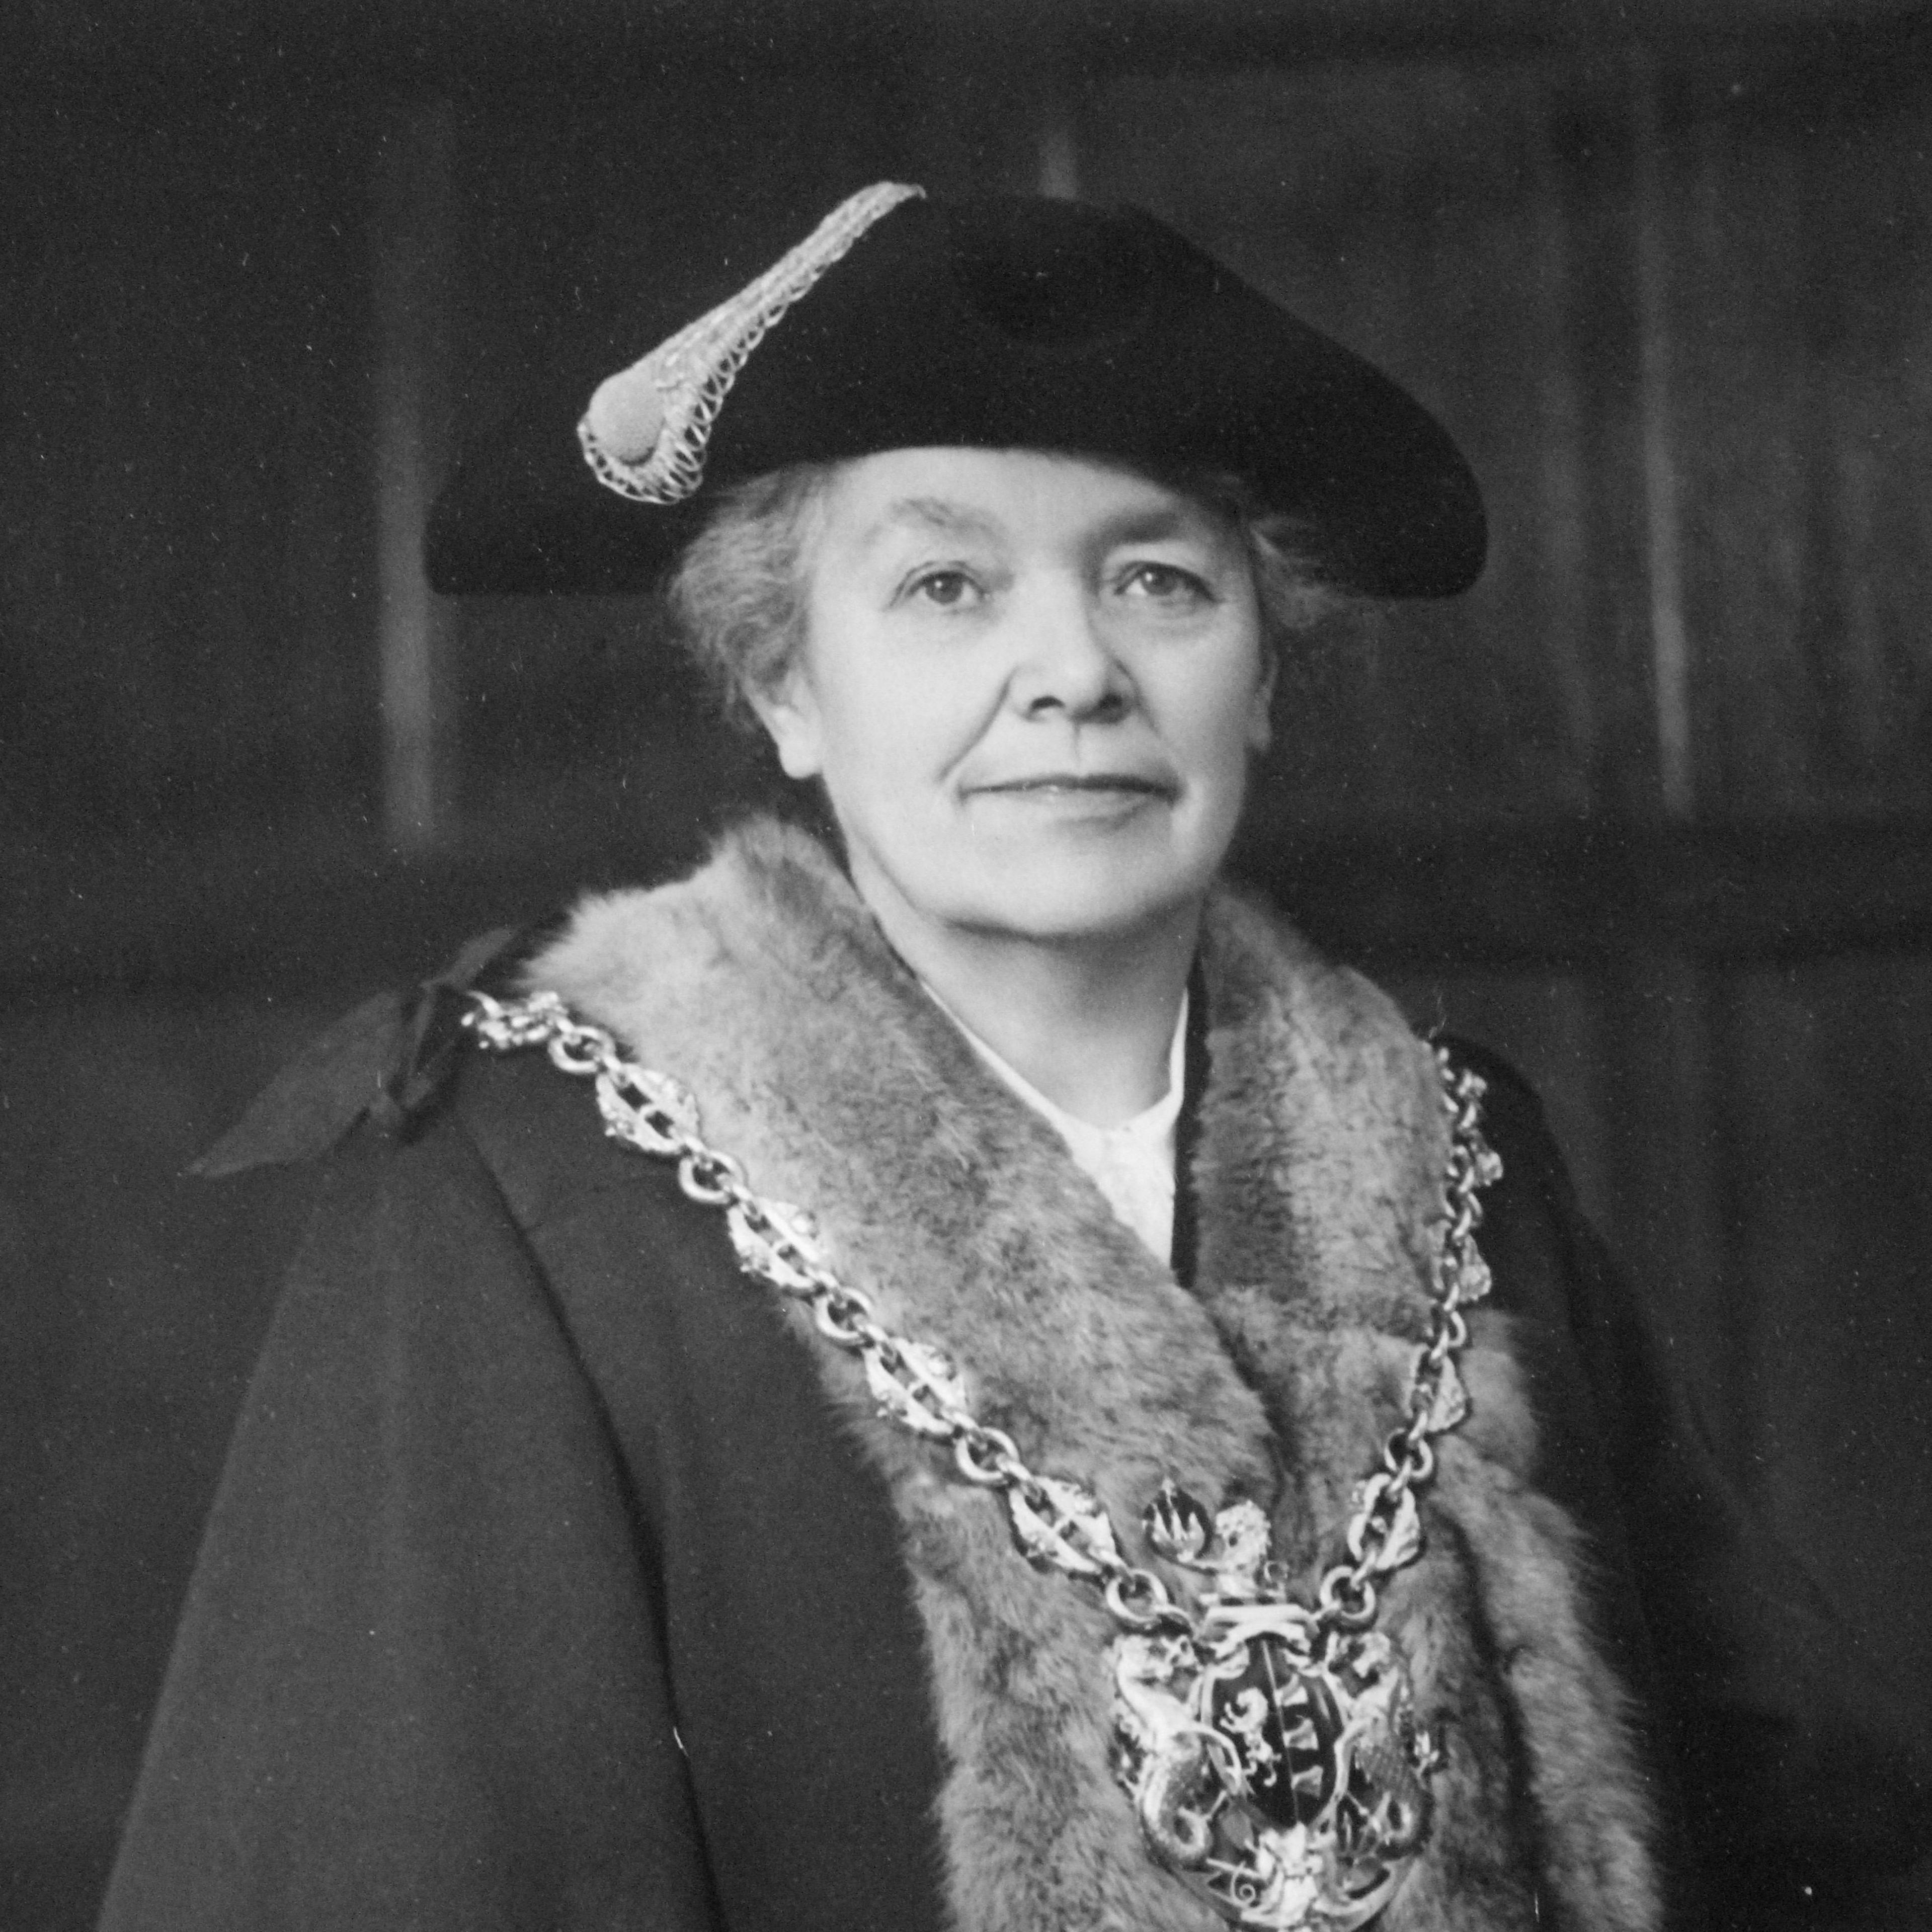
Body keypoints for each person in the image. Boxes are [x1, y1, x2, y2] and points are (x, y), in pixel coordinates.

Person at [100, 184, 1926, 1932]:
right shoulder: (510, 1196)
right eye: (948, 589)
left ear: (1266, 676)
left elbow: (1813, 1835)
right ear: (786, 689)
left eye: (1159, 582)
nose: (1074, 671)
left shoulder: (1466, 1176)